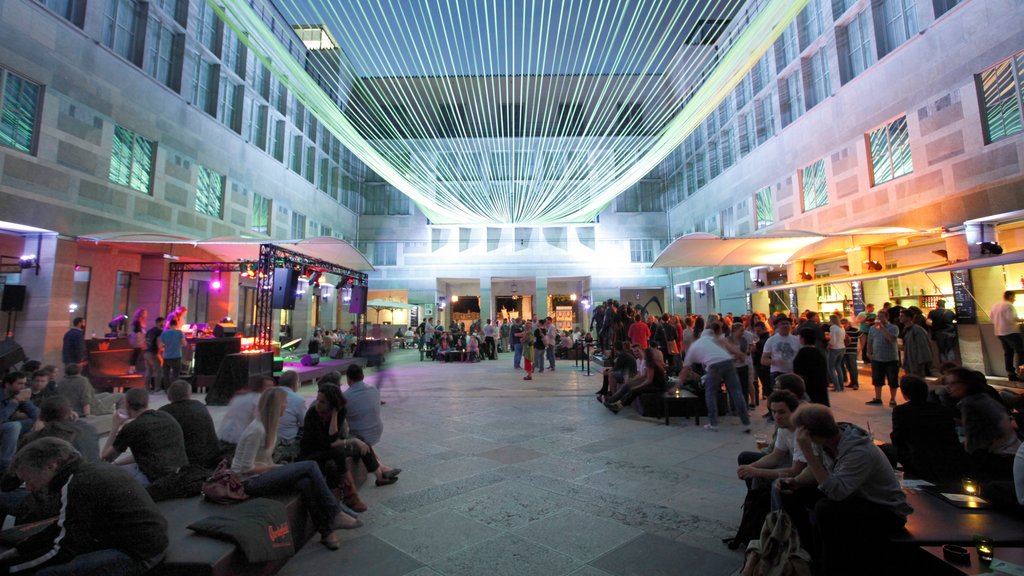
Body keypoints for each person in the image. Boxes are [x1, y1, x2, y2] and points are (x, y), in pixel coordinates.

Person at [0, 438, 168, 575]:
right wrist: (20, 550)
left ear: (51, 466)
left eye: (28, 479)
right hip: (147, 541)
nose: (28, 488)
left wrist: (12, 567)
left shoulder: (76, 484)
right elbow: (63, 526)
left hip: (138, 554)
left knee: (47, 573)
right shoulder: (88, 470)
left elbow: (63, 550)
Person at [779, 404, 911, 575]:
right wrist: (795, 482)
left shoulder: (858, 452)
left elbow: (836, 493)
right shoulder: (824, 443)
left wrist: (807, 453)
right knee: (793, 493)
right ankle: (808, 552)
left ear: (812, 433)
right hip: (853, 498)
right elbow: (817, 470)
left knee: (826, 508)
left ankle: (829, 567)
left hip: (885, 511)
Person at [231, 388, 361, 551]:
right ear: (277, 406)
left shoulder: (268, 427)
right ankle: (335, 512)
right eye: (284, 403)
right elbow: (244, 468)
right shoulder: (257, 430)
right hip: (249, 483)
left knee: (306, 483)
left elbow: (264, 459)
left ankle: (326, 532)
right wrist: (276, 468)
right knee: (311, 465)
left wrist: (277, 468)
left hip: (263, 475)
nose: (286, 406)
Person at [299, 384, 391, 513]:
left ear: (333, 404)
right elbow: (328, 442)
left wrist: (335, 413)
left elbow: (334, 437)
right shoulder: (312, 414)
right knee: (340, 453)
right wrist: (353, 440)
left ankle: (378, 477)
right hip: (312, 452)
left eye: (323, 401)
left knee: (362, 443)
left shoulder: (340, 411)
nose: (318, 404)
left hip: (330, 448)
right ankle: (350, 498)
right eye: (318, 399)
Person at [102, 388, 188, 487]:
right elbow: (147, 454)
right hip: (180, 474)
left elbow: (106, 458)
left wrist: (115, 426)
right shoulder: (166, 417)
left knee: (105, 476)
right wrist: (117, 463)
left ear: (127, 404)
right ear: (147, 402)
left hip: (153, 480)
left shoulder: (133, 427)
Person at [945, 367, 1021, 479]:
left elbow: (976, 441)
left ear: (965, 384)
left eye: (953, 383)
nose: (948, 387)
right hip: (1011, 451)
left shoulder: (970, 404)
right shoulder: (982, 398)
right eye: (947, 383)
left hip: (999, 457)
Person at [888, 376, 967, 482]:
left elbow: (897, 438)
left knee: (885, 449)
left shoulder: (901, 411)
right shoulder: (942, 409)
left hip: (919, 458)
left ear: (905, 393)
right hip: (947, 456)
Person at [675, 322, 750, 431]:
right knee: (736, 392)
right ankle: (746, 422)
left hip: (714, 365)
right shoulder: (709, 338)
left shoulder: (692, 349)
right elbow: (724, 343)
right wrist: (738, 353)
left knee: (710, 393)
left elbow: (684, 371)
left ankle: (713, 423)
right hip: (727, 361)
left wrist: (677, 386)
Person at [343, 365, 401, 483]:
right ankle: (383, 468)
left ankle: (382, 470)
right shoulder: (373, 389)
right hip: (376, 429)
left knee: (359, 438)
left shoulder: (346, 396)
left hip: (360, 433)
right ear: (363, 377)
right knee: (365, 441)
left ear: (348, 379)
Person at [159, 380, 220, 470]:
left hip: (187, 463)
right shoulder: (199, 405)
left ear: (169, 396)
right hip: (211, 458)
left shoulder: (165, 412)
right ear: (189, 394)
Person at [20, 396, 100, 463]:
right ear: (70, 412)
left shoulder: (38, 438)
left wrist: (34, 430)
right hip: (92, 474)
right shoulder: (89, 429)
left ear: (42, 416)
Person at [218, 376, 274, 459]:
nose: (270, 389)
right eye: (268, 386)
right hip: (239, 440)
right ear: (260, 386)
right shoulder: (259, 399)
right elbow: (259, 422)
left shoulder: (240, 397)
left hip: (224, 437)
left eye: (272, 386)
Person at [603, 347, 667, 414]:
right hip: (658, 385)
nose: (643, 355)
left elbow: (649, 380)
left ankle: (618, 406)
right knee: (632, 388)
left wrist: (639, 386)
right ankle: (617, 405)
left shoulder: (650, 365)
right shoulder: (654, 363)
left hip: (657, 387)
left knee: (634, 390)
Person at [54, 363, 121, 417]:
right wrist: (87, 414)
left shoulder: (61, 381)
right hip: (85, 409)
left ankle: (110, 410)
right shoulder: (82, 381)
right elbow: (85, 398)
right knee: (120, 395)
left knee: (106, 394)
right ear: (79, 371)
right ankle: (121, 416)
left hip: (71, 406)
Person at [865, 310, 900, 406]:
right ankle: (878, 398)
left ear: (887, 317)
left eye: (881, 317)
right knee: (877, 379)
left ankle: (893, 399)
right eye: (878, 316)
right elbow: (870, 341)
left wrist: (882, 327)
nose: (879, 318)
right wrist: (868, 352)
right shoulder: (872, 328)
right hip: (877, 357)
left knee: (892, 379)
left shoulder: (893, 328)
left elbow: (891, 339)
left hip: (891, 358)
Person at [990, 291, 1023, 381]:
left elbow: (991, 318)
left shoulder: (995, 305)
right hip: (1011, 332)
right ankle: (1022, 374)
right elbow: (1012, 318)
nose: (1015, 299)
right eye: (1014, 297)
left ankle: (1011, 374)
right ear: (1010, 296)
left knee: (1008, 353)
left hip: (999, 332)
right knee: (1021, 352)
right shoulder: (1009, 305)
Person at [274, 370, 306, 463]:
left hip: (269, 440)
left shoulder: (268, 394)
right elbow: (304, 423)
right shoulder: (298, 400)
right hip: (287, 442)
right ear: (295, 383)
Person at [792, 328, 829, 406]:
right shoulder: (819, 353)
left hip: (807, 388)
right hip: (820, 387)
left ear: (802, 339)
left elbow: (798, 372)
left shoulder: (802, 353)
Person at [900, 309, 933, 378]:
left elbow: (923, 347)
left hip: (916, 362)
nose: (900, 318)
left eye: (902, 316)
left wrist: (921, 362)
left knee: (917, 380)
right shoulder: (907, 329)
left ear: (909, 318)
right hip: (910, 361)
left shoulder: (917, 330)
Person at [159, 316, 187, 389]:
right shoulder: (180, 333)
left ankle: (166, 389)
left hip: (166, 356)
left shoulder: (164, 333)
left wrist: (165, 347)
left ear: (169, 325)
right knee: (175, 375)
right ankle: (174, 388)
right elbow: (184, 344)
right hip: (176, 356)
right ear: (176, 325)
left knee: (166, 374)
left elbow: (160, 345)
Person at [927, 299, 957, 364]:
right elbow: (955, 320)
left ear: (937, 305)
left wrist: (935, 325)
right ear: (944, 305)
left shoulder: (932, 312)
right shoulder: (950, 312)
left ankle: (944, 367)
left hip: (939, 333)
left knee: (942, 350)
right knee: (950, 349)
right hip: (950, 333)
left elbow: (928, 322)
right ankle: (951, 367)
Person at [143, 315, 164, 391]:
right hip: (153, 353)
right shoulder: (159, 331)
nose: (163, 325)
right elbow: (159, 342)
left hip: (146, 352)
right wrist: (161, 350)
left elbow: (145, 342)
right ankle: (157, 388)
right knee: (158, 370)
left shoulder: (149, 331)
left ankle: (146, 388)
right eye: (163, 323)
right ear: (160, 323)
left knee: (149, 370)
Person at [826, 315, 846, 392]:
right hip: (842, 347)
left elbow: (833, 340)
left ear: (832, 320)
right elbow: (843, 338)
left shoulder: (833, 327)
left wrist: (829, 345)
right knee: (838, 366)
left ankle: (836, 386)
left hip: (834, 348)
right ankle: (841, 386)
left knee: (831, 368)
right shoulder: (841, 327)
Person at [128, 307, 146, 375]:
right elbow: (138, 333)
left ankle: (134, 368)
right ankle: (131, 368)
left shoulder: (141, 322)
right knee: (136, 354)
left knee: (137, 354)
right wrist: (141, 342)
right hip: (137, 340)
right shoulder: (137, 322)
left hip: (139, 339)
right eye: (144, 313)